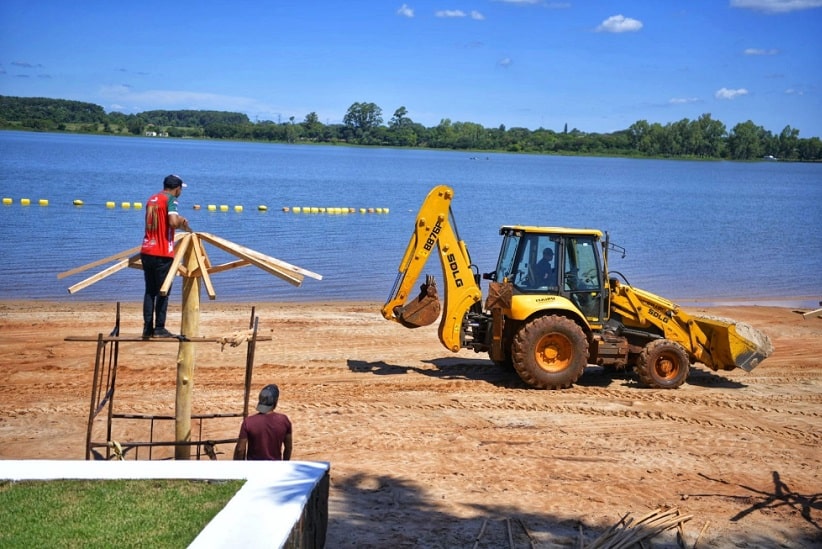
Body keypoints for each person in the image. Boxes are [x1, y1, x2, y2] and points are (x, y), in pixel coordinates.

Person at [140, 174, 191, 339]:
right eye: (180, 189)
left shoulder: (152, 199)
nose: (180, 192)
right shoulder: (171, 200)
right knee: (163, 291)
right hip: (162, 252)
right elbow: (172, 222)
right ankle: (160, 328)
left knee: (150, 291)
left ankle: (147, 329)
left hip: (147, 249)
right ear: (177, 189)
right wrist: (182, 221)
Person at [234, 384, 293, 461]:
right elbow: (288, 448)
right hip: (276, 468)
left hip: (254, 468)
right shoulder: (284, 420)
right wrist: (284, 464)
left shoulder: (248, 422)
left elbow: (240, 449)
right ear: (275, 401)